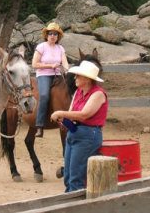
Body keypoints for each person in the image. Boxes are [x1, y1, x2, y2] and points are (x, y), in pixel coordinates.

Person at [50, 60, 108, 192]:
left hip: (88, 135)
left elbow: (84, 115)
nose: (75, 78)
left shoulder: (98, 94)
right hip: (76, 132)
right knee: (69, 176)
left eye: (78, 75)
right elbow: (72, 114)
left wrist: (60, 112)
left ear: (87, 79)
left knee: (75, 178)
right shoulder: (78, 92)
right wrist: (64, 120)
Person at [32, 22, 69, 137]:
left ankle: (71, 120)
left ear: (58, 37)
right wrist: (50, 66)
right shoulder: (41, 47)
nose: (53, 36)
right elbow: (34, 64)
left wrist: (68, 71)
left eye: (55, 34)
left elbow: (65, 63)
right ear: (46, 35)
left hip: (58, 75)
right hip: (44, 75)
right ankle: (39, 125)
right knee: (44, 95)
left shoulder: (60, 48)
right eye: (50, 33)